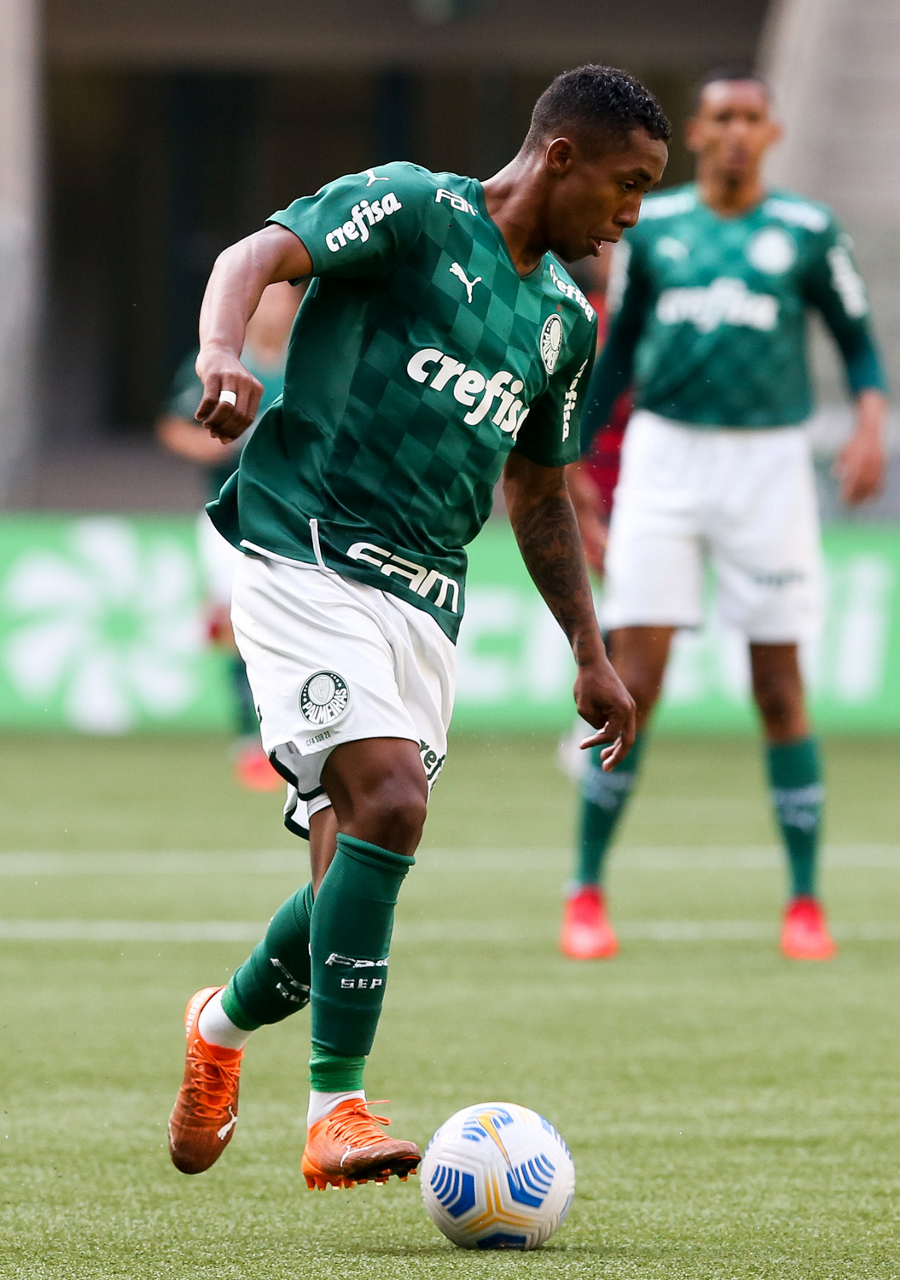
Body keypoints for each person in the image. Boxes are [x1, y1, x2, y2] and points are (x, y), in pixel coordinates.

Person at [166, 64, 669, 1190]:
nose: (631, 214)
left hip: (426, 598)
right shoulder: (414, 207)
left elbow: (538, 490)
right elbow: (252, 255)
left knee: (348, 874)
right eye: (627, 184)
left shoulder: (563, 321)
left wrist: (590, 651)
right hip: (305, 546)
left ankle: (218, 1027)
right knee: (392, 800)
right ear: (561, 156)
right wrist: (221, 353)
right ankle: (335, 1110)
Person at [559, 68, 888, 963]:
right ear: (698, 134)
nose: (737, 132)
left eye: (751, 118)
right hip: (667, 460)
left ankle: (805, 902)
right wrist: (571, 456)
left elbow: (859, 345)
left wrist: (870, 424)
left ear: (771, 133)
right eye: (722, 118)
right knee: (637, 682)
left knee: (779, 688)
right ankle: (585, 891)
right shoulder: (656, 228)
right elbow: (618, 353)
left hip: (769, 465)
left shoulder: (808, 230)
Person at [156, 282, 300, 789]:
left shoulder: (313, 356)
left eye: (285, 297)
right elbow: (173, 425)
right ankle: (250, 738)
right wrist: (212, 446)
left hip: (298, 520)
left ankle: (298, 733)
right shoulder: (222, 361)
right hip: (229, 517)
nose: (277, 308)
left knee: (293, 626)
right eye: (269, 296)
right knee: (240, 627)